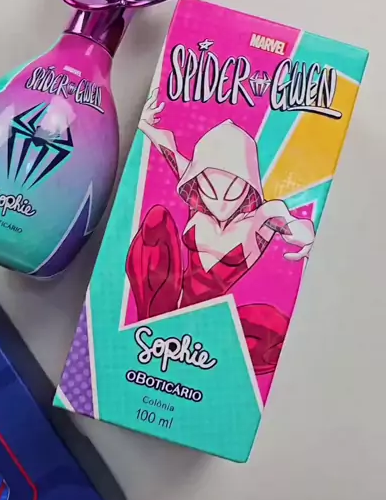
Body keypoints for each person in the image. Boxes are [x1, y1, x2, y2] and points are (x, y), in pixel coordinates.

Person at [126, 90, 316, 375]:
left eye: (232, 193)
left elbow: (286, 219)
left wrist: (306, 235)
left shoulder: (258, 222)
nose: (220, 204)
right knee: (156, 221)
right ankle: (150, 326)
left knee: (274, 330)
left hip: (210, 326)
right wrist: (144, 123)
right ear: (197, 182)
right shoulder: (198, 204)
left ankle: (211, 360)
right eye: (210, 191)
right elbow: (167, 146)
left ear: (249, 187)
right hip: (165, 303)